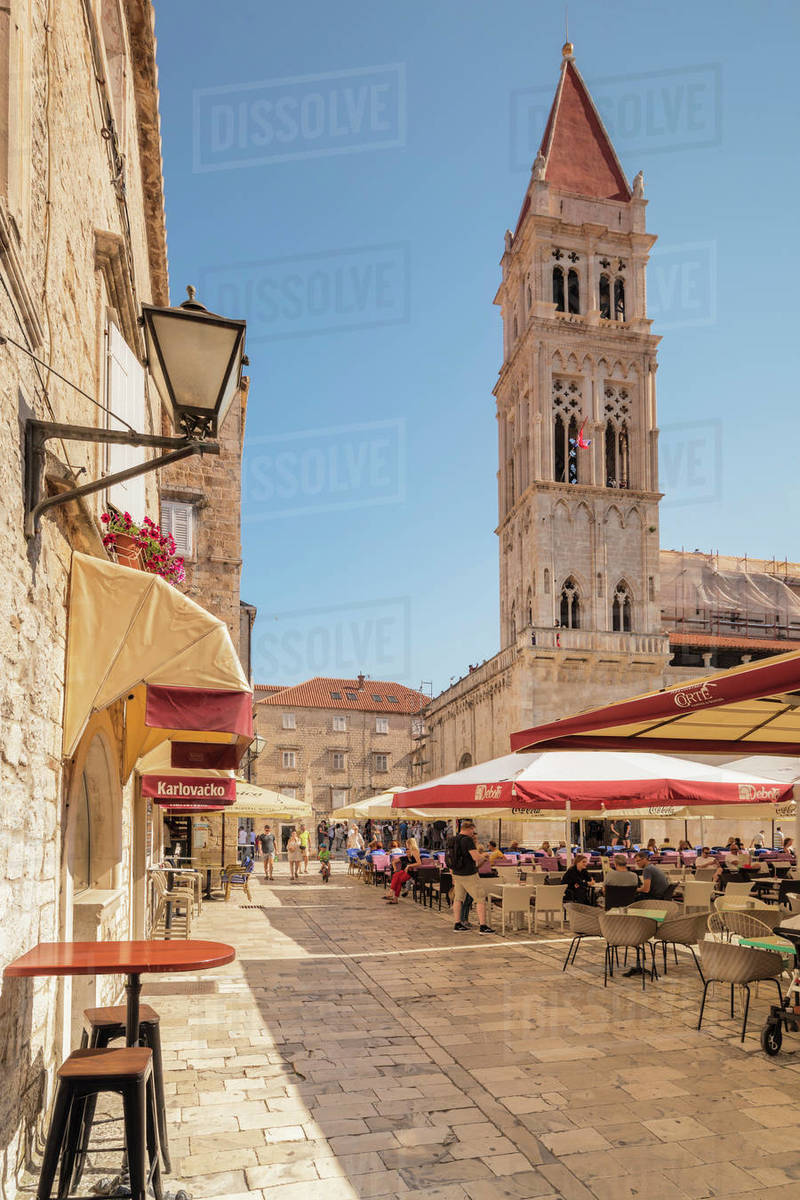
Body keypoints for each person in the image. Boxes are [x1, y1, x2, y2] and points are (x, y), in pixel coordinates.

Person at [446, 818, 495, 934]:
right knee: (480, 898)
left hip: (457, 873)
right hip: (468, 873)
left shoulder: (452, 839)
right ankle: (483, 926)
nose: (473, 833)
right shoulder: (467, 840)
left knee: (458, 898)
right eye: (472, 830)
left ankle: (457, 924)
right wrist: (484, 855)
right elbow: (476, 857)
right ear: (469, 829)